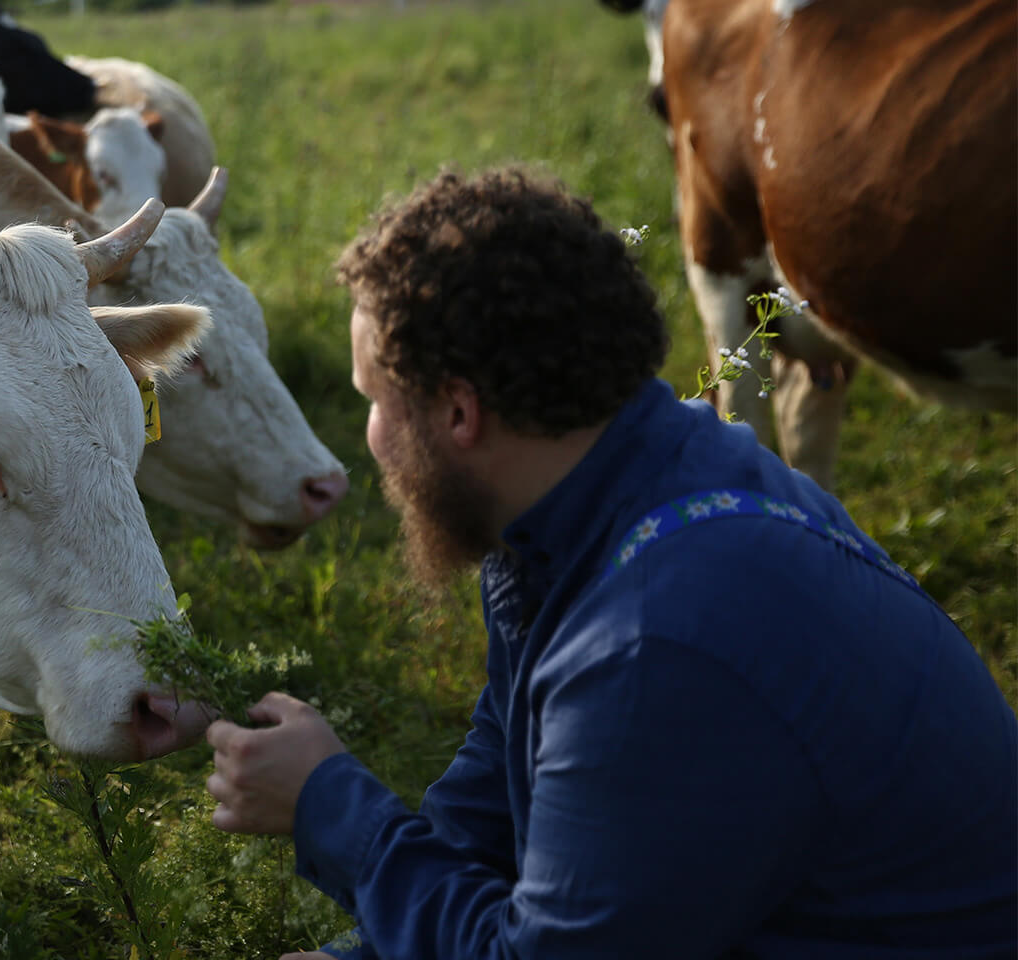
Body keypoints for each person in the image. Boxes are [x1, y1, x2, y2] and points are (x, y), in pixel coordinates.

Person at [204, 168, 1018, 959]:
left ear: (458, 411)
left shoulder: (651, 645)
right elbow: (500, 790)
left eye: (375, 401)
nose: (371, 436)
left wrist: (330, 805)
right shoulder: (608, 504)